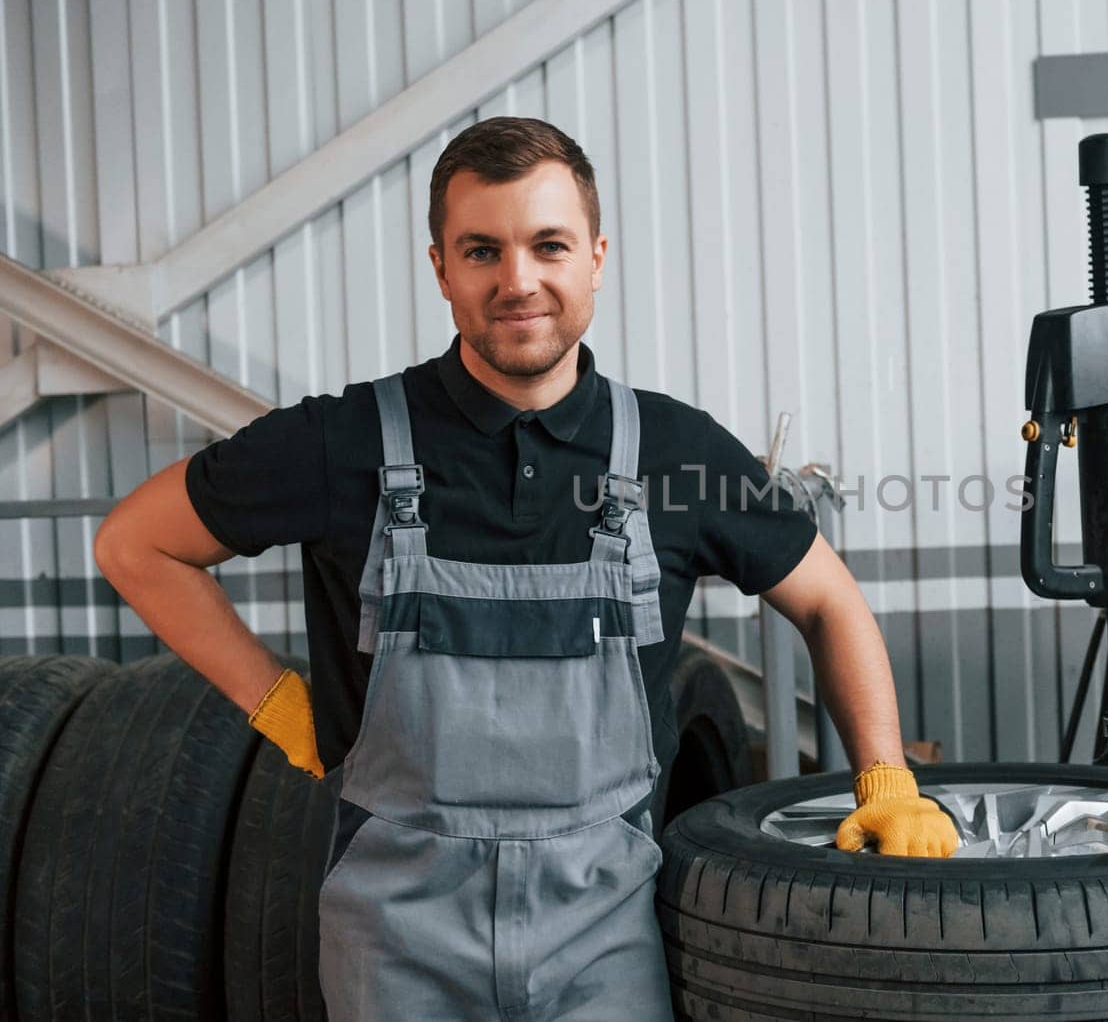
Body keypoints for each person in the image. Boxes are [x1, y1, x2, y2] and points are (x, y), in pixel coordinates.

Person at [93, 116, 958, 1021]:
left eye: (548, 245)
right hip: (395, 945)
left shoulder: (672, 451)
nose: (519, 281)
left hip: (606, 941)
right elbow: (135, 543)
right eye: (482, 250)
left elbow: (827, 597)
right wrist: (275, 700)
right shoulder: (339, 442)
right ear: (440, 268)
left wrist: (885, 778)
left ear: (595, 255)